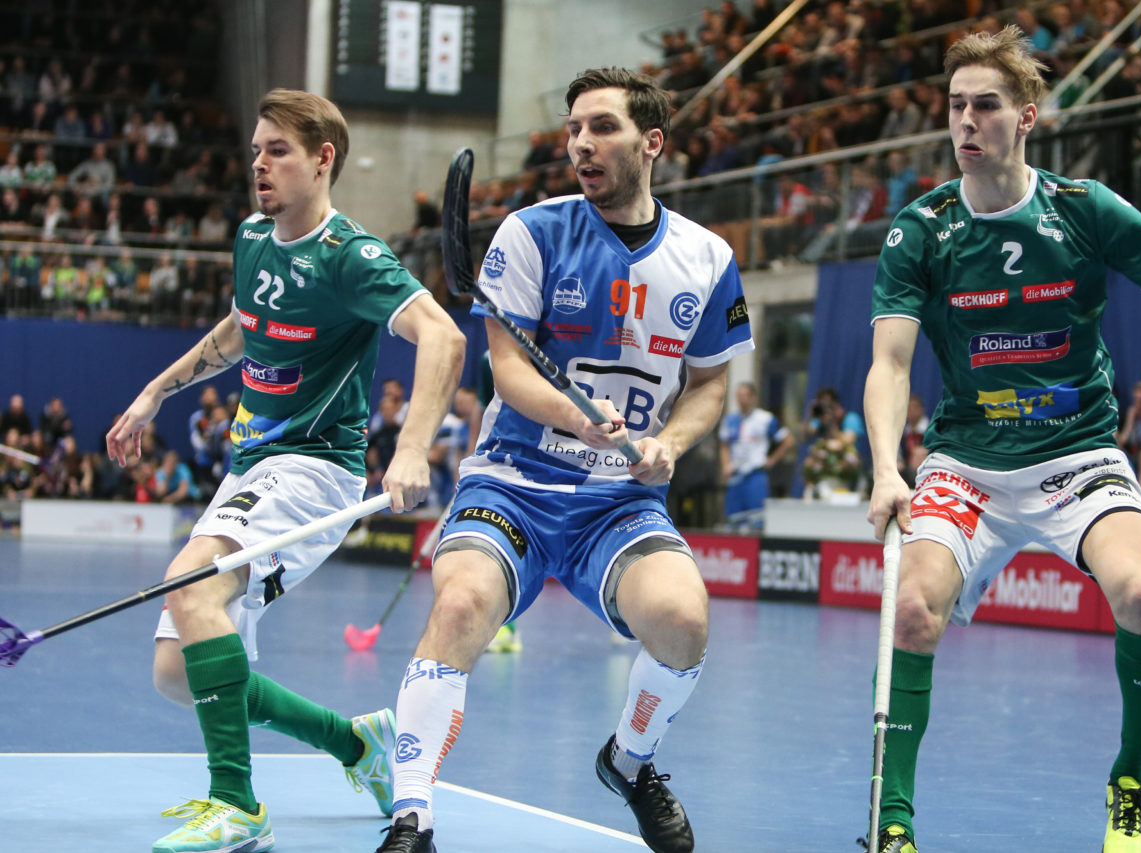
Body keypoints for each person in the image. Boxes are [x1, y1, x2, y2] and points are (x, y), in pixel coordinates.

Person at [861, 28, 1141, 853]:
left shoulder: (1084, 210)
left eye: (986, 106)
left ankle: (1131, 781)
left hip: (1077, 456)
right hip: (967, 462)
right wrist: (884, 466)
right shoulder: (921, 229)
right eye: (955, 105)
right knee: (911, 610)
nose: (965, 121)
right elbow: (890, 364)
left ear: (1029, 117)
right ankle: (892, 822)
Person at [378, 66, 754, 853]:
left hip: (619, 500)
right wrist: (576, 417)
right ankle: (412, 818)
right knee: (457, 609)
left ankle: (631, 760)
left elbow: (712, 383)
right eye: (574, 126)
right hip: (513, 481)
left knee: (684, 621)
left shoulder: (707, 257)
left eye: (603, 127)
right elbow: (507, 369)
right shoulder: (532, 232)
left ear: (651, 143)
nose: (582, 142)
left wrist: (669, 444)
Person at [104, 88, 466, 853]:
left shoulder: (352, 258)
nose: (259, 164)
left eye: (278, 151)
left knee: (196, 584)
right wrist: (154, 390)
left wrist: (410, 447)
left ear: (323, 159)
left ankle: (236, 804)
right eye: (257, 150)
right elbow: (243, 328)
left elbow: (441, 334)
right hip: (250, 469)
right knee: (180, 670)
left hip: (312, 470)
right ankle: (357, 743)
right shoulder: (253, 238)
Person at [719, 381, 793, 530]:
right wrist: (725, 465)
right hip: (736, 473)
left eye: (745, 396)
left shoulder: (765, 419)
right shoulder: (730, 420)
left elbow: (788, 440)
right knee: (733, 518)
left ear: (754, 398)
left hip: (755, 473)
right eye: (739, 396)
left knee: (756, 518)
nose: (742, 400)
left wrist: (771, 460)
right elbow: (724, 445)